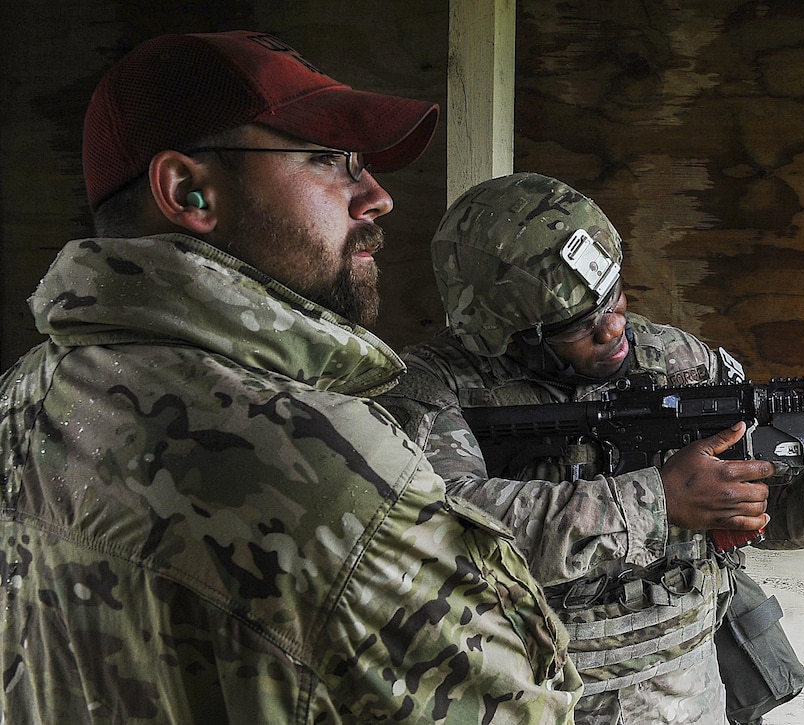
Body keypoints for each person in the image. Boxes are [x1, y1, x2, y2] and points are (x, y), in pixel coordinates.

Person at [0, 33, 581, 723]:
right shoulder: (335, 475)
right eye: (331, 160)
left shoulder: (19, 399)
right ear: (190, 191)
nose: (377, 197)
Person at [376, 172, 804, 725]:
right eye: (575, 325)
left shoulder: (683, 364)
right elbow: (432, 536)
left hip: (686, 693)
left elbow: (769, 516)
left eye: (614, 298)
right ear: (500, 332)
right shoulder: (430, 390)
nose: (612, 330)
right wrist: (655, 501)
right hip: (523, 699)